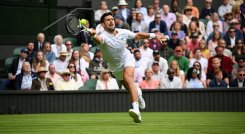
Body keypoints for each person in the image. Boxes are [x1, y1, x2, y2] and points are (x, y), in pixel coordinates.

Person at [87, 12, 164, 123]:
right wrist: (93, 35)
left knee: (128, 78)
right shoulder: (103, 36)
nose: (111, 21)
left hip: (127, 59)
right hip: (115, 67)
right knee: (129, 87)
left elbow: (137, 36)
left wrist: (154, 36)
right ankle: (139, 94)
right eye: (108, 20)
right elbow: (98, 40)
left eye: (112, 19)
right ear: (103, 25)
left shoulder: (123, 32)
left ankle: (136, 110)